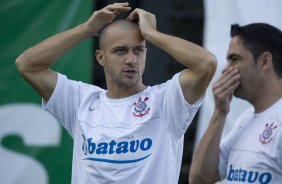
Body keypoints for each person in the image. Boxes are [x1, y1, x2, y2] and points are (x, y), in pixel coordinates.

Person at [16, 2, 217, 184]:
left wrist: (153, 35)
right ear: (101, 57)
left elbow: (206, 64)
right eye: (121, 51)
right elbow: (27, 65)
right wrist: (86, 29)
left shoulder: (167, 101)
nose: (131, 59)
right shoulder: (81, 101)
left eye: (138, 50)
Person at [189, 23, 282, 184]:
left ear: (265, 61)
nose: (226, 70)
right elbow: (199, 180)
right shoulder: (245, 120)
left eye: (234, 59)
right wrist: (219, 112)